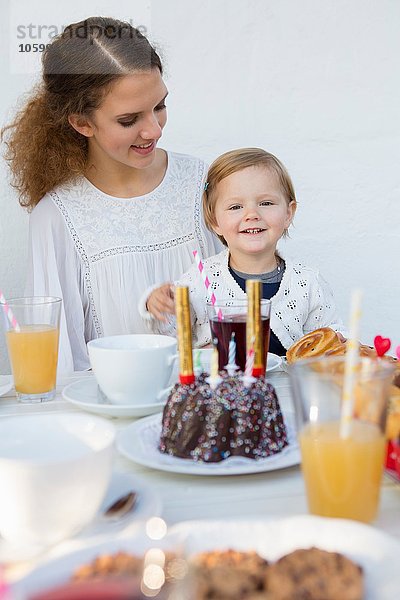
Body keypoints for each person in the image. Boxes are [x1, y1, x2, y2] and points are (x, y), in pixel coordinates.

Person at [2, 17, 221, 373]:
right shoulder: (57, 218)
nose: (153, 129)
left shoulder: (201, 183)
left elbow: (243, 299)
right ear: (82, 123)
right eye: (128, 119)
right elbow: (57, 365)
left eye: (159, 106)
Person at [141, 148, 346, 353]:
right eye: (235, 207)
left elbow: (330, 338)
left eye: (265, 203)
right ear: (214, 221)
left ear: (288, 213)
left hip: (286, 385)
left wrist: (340, 341)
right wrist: (159, 304)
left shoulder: (308, 283)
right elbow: (171, 336)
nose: (251, 214)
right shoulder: (199, 279)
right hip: (218, 383)